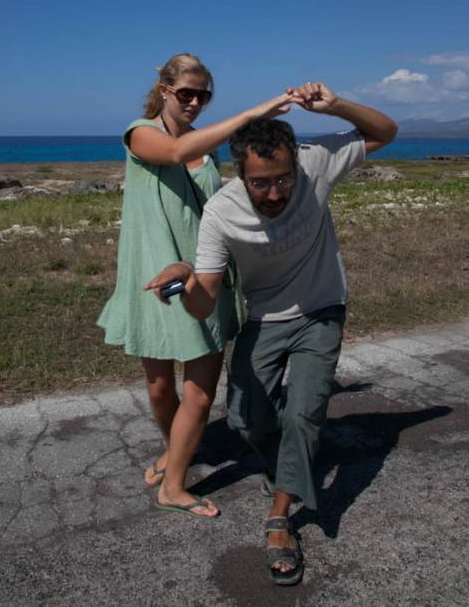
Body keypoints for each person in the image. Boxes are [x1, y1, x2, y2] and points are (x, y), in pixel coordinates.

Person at [145, 81, 396, 578]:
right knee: (245, 419)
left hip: (322, 308)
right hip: (264, 318)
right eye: (262, 183)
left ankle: (280, 517)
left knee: (304, 414)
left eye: (283, 179)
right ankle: (285, 464)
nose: (276, 193)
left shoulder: (314, 162)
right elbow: (203, 304)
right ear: (241, 173)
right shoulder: (222, 212)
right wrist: (186, 278)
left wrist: (337, 105)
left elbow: (386, 132)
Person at [97, 53, 296, 519]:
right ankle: (175, 451)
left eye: (202, 96)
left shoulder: (208, 150)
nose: (193, 102)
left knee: (200, 393)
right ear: (164, 89)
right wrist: (251, 114)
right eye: (185, 93)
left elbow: (222, 204)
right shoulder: (140, 133)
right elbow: (173, 153)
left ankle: (174, 483)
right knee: (161, 388)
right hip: (154, 276)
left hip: (203, 277)